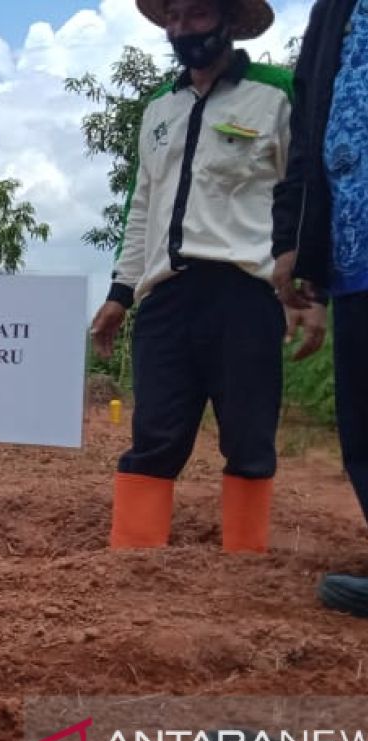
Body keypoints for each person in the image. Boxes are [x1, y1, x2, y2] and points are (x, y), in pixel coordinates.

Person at [89, 0, 324, 552]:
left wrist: (310, 287)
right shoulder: (157, 109)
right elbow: (141, 207)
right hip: (166, 297)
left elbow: (306, 191)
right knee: (153, 438)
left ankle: (244, 575)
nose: (181, 29)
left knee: (248, 439)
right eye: (172, 17)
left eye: (195, 15)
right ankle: (134, 565)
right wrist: (120, 293)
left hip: (245, 293)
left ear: (228, 21)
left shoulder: (278, 93)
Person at [271, 0, 368, 613]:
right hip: (354, 250)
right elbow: (310, 132)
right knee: (361, 423)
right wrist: (297, 250)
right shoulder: (333, 10)